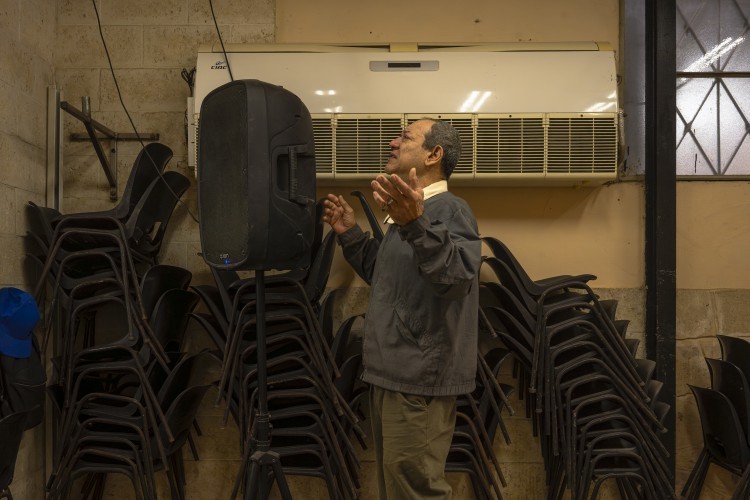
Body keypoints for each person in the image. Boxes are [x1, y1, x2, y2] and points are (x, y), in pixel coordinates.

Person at [322, 118, 481, 499]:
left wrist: (415, 224)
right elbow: (387, 275)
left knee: (416, 491)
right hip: (393, 376)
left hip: (418, 381)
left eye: (406, 137)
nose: (393, 142)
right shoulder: (411, 212)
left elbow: (457, 278)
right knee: (399, 490)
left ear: (434, 154)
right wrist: (350, 234)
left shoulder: (449, 210)